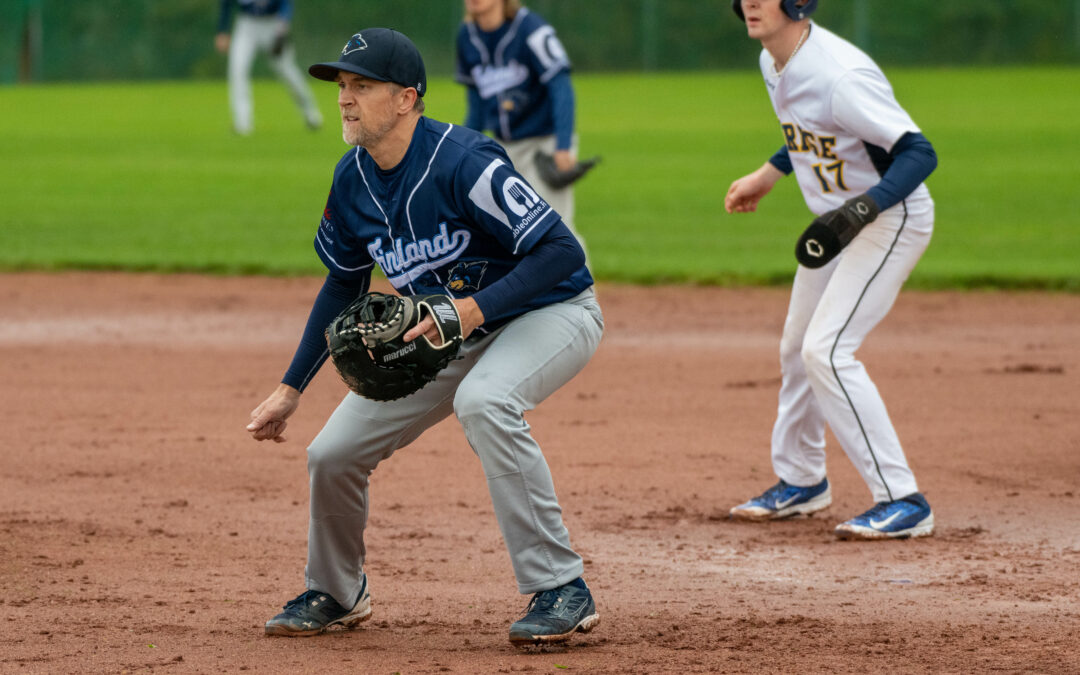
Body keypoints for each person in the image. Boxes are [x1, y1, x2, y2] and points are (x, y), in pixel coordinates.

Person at [246, 28, 604, 646]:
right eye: (341, 87)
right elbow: (343, 285)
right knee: (331, 455)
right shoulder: (353, 178)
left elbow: (561, 251)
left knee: (487, 400)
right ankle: (336, 591)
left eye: (362, 86)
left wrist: (473, 309)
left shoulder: (463, 163)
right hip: (450, 332)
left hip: (551, 310)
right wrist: (290, 388)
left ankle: (562, 588)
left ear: (407, 98)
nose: (345, 99)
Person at [724, 0, 939, 539]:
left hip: (890, 219)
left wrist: (863, 209)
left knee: (827, 349)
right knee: (797, 347)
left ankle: (903, 499)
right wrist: (768, 174)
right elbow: (811, 128)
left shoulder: (839, 74)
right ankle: (802, 481)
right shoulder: (776, 60)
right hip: (836, 224)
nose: (751, 1)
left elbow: (917, 152)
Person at [455, 0, 588, 249]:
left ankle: (583, 290)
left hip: (544, 145)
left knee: (558, 232)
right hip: (503, 150)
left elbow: (561, 87)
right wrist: (459, 153)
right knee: (510, 234)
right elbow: (476, 108)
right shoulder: (467, 36)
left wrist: (563, 145)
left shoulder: (530, 28)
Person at [214, 0, 322, 135]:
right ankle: (242, 123)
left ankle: (311, 113)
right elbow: (227, 4)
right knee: (237, 70)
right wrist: (222, 30)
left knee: (287, 71)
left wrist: (282, 28)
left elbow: (286, 3)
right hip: (246, 24)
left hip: (272, 24)